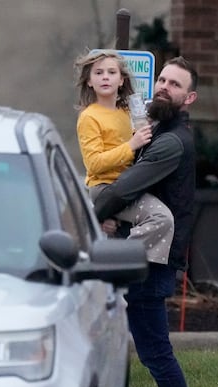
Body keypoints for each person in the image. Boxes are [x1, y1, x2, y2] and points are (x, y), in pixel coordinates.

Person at [93, 56, 198, 387]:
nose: (165, 88)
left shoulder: (172, 142)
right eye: (163, 81)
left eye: (176, 84)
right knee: (126, 350)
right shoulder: (155, 129)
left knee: (155, 354)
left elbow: (125, 189)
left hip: (150, 265)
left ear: (189, 97)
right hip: (140, 255)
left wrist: (93, 213)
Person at [74, 49, 174, 265]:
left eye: (111, 72)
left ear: (121, 80)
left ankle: (121, 266)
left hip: (128, 186)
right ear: (89, 82)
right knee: (161, 218)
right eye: (98, 73)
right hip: (105, 187)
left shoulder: (128, 113)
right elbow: (94, 163)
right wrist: (131, 145)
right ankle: (122, 262)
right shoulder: (89, 117)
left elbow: (139, 149)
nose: (105, 77)